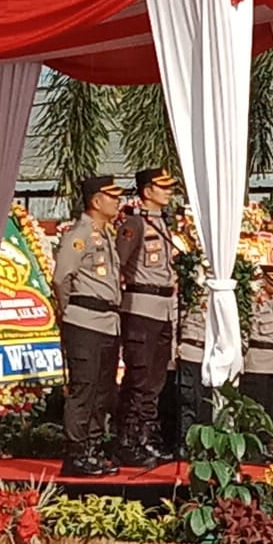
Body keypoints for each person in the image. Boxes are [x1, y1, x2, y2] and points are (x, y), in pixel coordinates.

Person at [53, 175, 125, 476]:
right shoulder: (78, 235)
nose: (117, 201)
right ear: (96, 201)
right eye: (112, 197)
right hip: (84, 320)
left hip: (109, 321)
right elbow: (61, 279)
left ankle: (94, 448)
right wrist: (70, 310)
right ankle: (76, 452)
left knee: (103, 390)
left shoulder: (106, 235)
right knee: (84, 388)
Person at [115, 167, 178, 467]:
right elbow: (118, 264)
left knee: (155, 379)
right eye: (162, 187)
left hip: (163, 307)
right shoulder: (134, 224)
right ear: (146, 190)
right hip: (140, 306)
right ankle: (128, 440)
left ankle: (146, 436)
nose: (168, 191)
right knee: (139, 378)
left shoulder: (164, 224)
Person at [240, 266, 273, 437]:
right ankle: (254, 444)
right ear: (264, 281)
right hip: (258, 361)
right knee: (256, 406)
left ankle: (266, 442)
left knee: (271, 407)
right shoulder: (254, 301)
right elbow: (245, 329)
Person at [173, 293, 212, 456]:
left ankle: (203, 445)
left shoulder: (219, 293)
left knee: (206, 403)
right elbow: (175, 320)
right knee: (188, 400)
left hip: (210, 356)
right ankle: (185, 443)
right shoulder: (190, 292)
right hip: (190, 352)